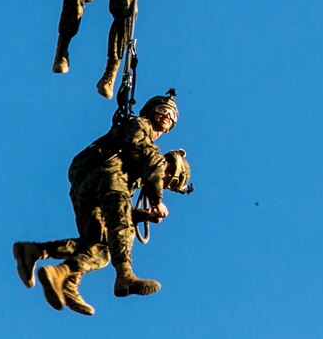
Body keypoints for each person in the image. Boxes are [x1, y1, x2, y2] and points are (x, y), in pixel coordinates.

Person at [12, 94, 193, 316]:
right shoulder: (140, 127)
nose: (166, 116)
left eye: (172, 114)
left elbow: (117, 208)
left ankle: (48, 262)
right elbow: (150, 162)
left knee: (98, 247)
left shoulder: (134, 172)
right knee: (121, 229)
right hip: (105, 177)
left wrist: (143, 215)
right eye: (163, 110)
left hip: (88, 189)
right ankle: (124, 275)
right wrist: (156, 201)